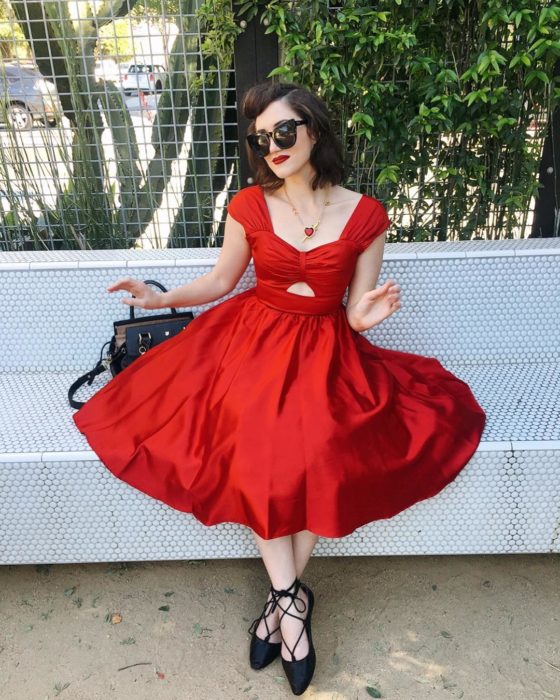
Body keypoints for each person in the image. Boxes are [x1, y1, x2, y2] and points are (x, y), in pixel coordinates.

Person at [72, 80, 486, 696]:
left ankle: (281, 606)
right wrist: (161, 298)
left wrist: (364, 318)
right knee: (262, 448)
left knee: (325, 447)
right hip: (249, 344)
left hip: (326, 347)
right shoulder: (249, 206)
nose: (273, 146)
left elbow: (351, 312)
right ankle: (293, 606)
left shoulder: (366, 216)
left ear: (314, 129)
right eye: (261, 138)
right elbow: (219, 281)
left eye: (284, 132)